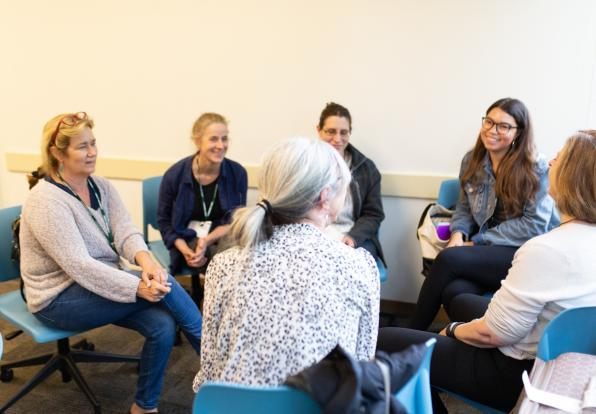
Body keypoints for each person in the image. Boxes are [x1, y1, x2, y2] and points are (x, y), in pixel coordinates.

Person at [377, 130, 596, 412]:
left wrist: (452, 330)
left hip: (517, 375)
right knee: (458, 297)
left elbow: (494, 335)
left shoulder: (547, 249)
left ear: (572, 177)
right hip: (571, 362)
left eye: (560, 157)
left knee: (384, 342)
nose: (551, 162)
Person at [20, 112, 202, 414]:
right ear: (57, 153)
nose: (92, 152)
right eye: (82, 147)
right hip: (56, 299)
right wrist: (138, 287)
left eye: (93, 143)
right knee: (168, 289)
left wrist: (147, 263)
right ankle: (218, 365)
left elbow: (126, 233)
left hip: (102, 280)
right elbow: (80, 266)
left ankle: (144, 406)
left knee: (162, 323)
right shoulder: (45, 201)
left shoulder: (100, 186)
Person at [193, 138, 380, 390]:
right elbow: (361, 368)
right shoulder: (359, 265)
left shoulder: (223, 264)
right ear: (325, 196)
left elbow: (211, 372)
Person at [407, 98, 559, 330]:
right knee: (454, 292)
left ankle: (411, 334)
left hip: (521, 253)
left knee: (448, 259)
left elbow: (534, 225)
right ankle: (467, 345)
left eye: (503, 126)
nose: (492, 130)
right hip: (485, 253)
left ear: (518, 133)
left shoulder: (535, 167)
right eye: (489, 122)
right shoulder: (472, 160)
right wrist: (458, 234)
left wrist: (476, 242)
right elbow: (464, 207)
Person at [158, 113, 247, 305]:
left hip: (221, 237)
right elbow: (164, 222)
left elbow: (236, 221)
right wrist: (184, 249)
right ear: (197, 141)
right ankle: (216, 311)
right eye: (213, 139)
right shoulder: (175, 175)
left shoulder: (237, 173)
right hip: (185, 237)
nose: (221, 145)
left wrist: (206, 240)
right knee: (224, 263)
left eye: (224, 138)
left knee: (231, 255)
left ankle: (218, 306)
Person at [316, 102, 385, 265]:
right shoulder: (307, 164)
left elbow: (373, 214)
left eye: (344, 132)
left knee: (355, 263)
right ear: (318, 130)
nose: (337, 139)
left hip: (353, 234)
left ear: (350, 132)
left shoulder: (366, 168)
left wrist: (353, 238)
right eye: (331, 131)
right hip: (316, 232)